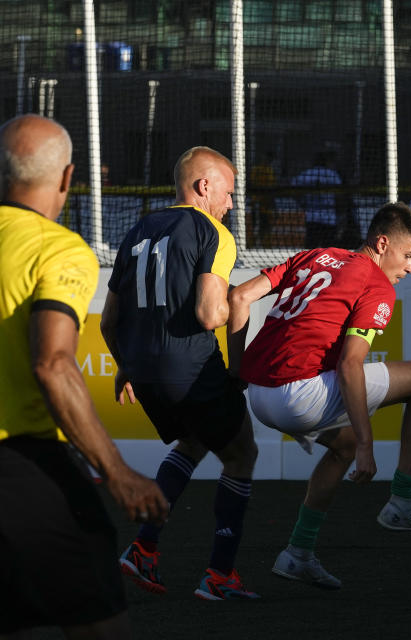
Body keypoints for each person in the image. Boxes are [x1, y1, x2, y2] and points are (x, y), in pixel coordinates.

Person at [0, 114, 168, 639]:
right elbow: (53, 364)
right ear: (69, 178)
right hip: (21, 463)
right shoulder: (57, 247)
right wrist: (117, 471)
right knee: (100, 624)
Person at [226, 202, 411, 589]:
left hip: (259, 395)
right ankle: (404, 500)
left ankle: (298, 553)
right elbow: (349, 365)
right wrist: (368, 443)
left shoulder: (315, 255)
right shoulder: (376, 285)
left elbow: (240, 297)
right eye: (408, 255)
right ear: (382, 244)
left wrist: (235, 372)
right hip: (298, 395)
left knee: (341, 446)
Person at [101, 146, 260, 600]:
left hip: (146, 372)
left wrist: (127, 366)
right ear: (204, 186)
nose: (230, 204)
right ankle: (220, 576)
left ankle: (143, 550)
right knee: (242, 454)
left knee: (192, 441)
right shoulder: (212, 231)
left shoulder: (137, 229)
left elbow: (109, 322)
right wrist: (239, 320)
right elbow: (211, 315)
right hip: (190, 367)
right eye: (228, 193)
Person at [290, 152, 344, 249]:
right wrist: (340, 214)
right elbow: (339, 197)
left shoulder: (307, 174)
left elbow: (293, 190)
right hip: (329, 220)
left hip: (312, 219)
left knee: (310, 251)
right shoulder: (332, 175)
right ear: (326, 162)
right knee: (330, 252)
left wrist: (302, 203)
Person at [249, 151, 277, 247]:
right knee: (257, 227)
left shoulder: (270, 170)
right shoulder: (257, 170)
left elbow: (271, 188)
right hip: (258, 205)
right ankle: (255, 244)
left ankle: (263, 245)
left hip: (266, 205)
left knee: (265, 227)